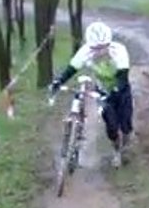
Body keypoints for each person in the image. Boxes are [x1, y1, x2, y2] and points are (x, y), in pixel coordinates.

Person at [48, 21, 133, 168]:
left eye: (103, 47)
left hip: (121, 90)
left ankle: (125, 145)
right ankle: (116, 151)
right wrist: (58, 82)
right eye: (95, 48)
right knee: (111, 126)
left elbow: (123, 79)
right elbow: (70, 70)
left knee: (125, 124)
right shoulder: (85, 52)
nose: (99, 52)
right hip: (103, 91)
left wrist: (115, 91)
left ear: (109, 43)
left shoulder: (119, 51)